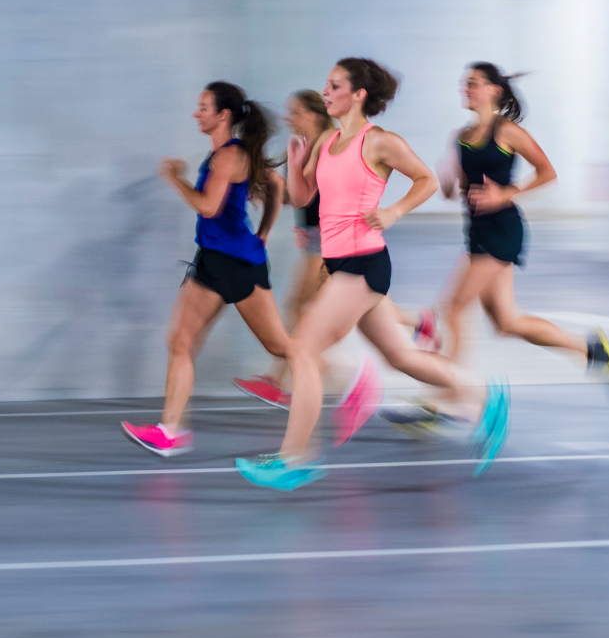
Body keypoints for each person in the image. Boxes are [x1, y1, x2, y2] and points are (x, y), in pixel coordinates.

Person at [235, 58, 509, 490]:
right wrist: (296, 159)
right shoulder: (326, 143)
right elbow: (307, 196)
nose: (326, 92)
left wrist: (394, 209)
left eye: (335, 85)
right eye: (325, 85)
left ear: (358, 94)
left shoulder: (378, 141)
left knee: (302, 349)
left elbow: (423, 180)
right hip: (339, 263)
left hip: (364, 267)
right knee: (399, 357)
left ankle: (294, 458)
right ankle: (482, 396)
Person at [383, 63, 609, 438]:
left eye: (474, 84)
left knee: (454, 308)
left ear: (494, 90)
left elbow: (547, 172)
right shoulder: (459, 136)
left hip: (502, 230)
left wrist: (505, 194)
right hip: (476, 231)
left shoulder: (508, 132)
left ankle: (449, 398)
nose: (466, 89)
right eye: (464, 84)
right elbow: (455, 190)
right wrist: (446, 179)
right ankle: (591, 350)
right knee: (507, 322)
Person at [122, 82, 292, 456]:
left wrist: (174, 179)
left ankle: (350, 379)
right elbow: (275, 184)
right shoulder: (229, 154)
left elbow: (208, 207)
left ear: (222, 116)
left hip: (237, 265)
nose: (196, 113)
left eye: (203, 108)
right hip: (213, 260)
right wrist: (262, 231)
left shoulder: (228, 157)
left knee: (280, 345)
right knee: (180, 342)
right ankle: (170, 431)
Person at [232, 90, 336, 410]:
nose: (288, 117)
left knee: (301, 308)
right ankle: (289, 378)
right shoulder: (301, 148)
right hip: (312, 241)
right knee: (301, 309)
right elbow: (300, 198)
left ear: (315, 115)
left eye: (296, 112)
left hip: (330, 241)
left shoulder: (332, 146)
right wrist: (268, 194)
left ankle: (313, 374)